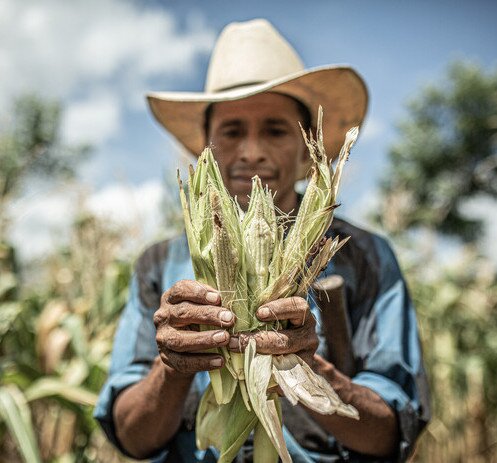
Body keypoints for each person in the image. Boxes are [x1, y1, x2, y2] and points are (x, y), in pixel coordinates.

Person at [94, 19, 430, 462]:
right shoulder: (159, 264)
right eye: (232, 132)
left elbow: (393, 433)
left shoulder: (366, 257)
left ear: (309, 150)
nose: (252, 151)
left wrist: (308, 368)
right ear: (206, 149)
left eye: (275, 130)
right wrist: (172, 368)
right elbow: (132, 435)